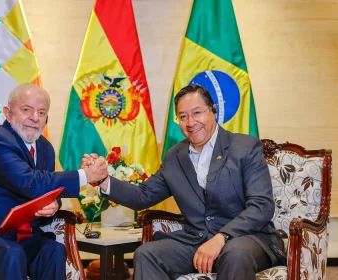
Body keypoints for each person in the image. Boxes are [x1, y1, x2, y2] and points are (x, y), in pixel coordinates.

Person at [82, 84, 284, 280]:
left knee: (235, 255)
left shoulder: (245, 147)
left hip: (247, 238)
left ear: (213, 111)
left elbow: (261, 206)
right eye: (183, 116)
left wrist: (222, 237)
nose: (190, 122)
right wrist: (103, 179)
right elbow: (142, 195)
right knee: (147, 254)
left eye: (197, 113)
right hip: (197, 240)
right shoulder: (175, 156)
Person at [0, 84, 108, 280]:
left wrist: (52, 205)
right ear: (8, 113)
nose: (34, 117)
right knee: (11, 253)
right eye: (26, 109)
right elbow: (30, 182)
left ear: (46, 119)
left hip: (15, 238)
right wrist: (85, 175)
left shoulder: (45, 148)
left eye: (41, 112)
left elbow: (45, 190)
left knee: (53, 250)